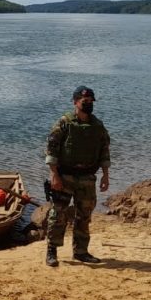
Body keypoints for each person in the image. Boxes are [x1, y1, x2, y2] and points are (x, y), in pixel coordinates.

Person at [44, 86, 111, 267]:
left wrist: (105, 175)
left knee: (84, 217)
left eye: (90, 101)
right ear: (75, 102)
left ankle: (81, 252)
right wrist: (54, 175)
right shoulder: (64, 123)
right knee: (58, 214)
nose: (88, 104)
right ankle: (52, 251)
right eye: (84, 101)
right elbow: (51, 151)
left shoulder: (97, 126)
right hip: (65, 176)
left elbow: (104, 151)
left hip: (87, 178)